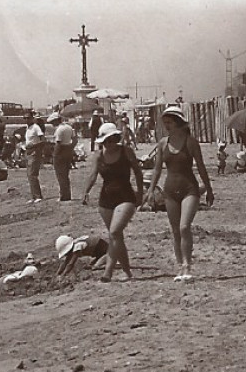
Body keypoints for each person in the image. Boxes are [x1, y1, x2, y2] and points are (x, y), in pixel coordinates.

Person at [149, 107, 215, 280]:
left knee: (184, 227)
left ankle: (187, 266)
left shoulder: (190, 142)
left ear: (178, 122)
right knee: (175, 231)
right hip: (169, 191)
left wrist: (208, 189)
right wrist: (150, 191)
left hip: (189, 189)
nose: (167, 126)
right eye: (165, 123)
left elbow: (201, 167)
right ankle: (180, 267)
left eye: (170, 123)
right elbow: (156, 170)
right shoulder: (163, 143)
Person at [81, 122, 145, 282]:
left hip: (126, 197)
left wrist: (141, 194)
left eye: (111, 140)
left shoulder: (126, 152)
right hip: (106, 200)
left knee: (114, 233)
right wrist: (85, 192)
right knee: (117, 237)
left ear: (115, 138)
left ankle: (107, 272)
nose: (108, 144)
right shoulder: (99, 155)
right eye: (105, 141)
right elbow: (93, 175)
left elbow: (138, 172)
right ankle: (128, 272)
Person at [52, 114, 77, 200]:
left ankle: (63, 195)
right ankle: (67, 194)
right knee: (65, 174)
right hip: (68, 150)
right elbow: (75, 139)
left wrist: (55, 155)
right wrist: (71, 147)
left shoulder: (59, 130)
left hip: (60, 152)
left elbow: (58, 144)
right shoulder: (69, 127)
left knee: (60, 175)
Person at [23, 116, 46, 203]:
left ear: (32, 118)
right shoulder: (28, 128)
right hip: (28, 151)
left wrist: (33, 146)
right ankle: (34, 196)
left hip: (34, 152)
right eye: (24, 118)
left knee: (32, 174)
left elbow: (43, 140)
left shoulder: (36, 127)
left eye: (28, 118)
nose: (26, 120)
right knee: (29, 175)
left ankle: (38, 195)